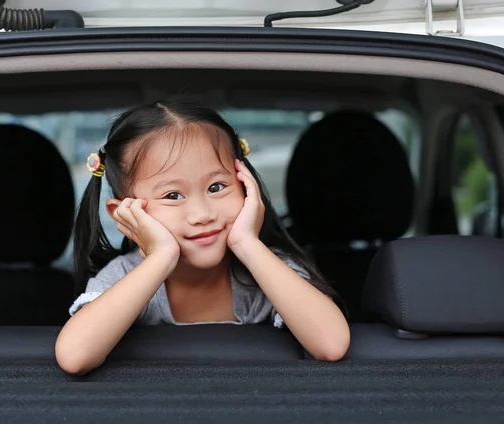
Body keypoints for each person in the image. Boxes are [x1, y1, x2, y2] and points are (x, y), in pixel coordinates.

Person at [55, 96, 350, 375]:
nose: (202, 214)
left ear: (247, 187)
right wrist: (161, 258)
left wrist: (247, 243)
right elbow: (74, 356)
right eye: (173, 195)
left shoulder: (268, 268)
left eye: (216, 187)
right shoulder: (124, 276)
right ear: (125, 213)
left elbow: (331, 344)